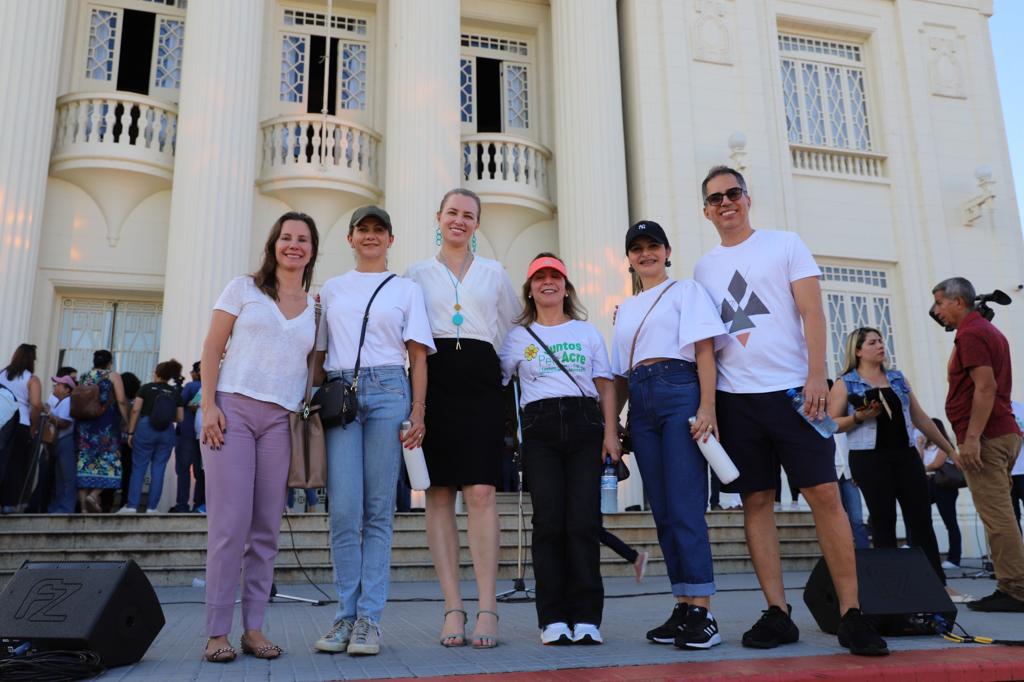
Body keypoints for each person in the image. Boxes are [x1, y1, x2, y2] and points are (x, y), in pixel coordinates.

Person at [693, 165, 888, 656]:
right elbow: (708, 345)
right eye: (715, 198)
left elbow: (812, 312)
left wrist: (816, 375)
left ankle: (851, 613)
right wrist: (710, 405)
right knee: (756, 502)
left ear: (748, 197)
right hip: (738, 403)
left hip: (795, 395)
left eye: (733, 193)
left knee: (826, 495)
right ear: (706, 210)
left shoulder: (785, 244)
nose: (726, 203)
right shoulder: (703, 268)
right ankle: (777, 612)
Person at [199, 211, 320, 662]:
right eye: (286, 237)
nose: (294, 245)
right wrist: (208, 405)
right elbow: (212, 346)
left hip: (281, 421)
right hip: (232, 411)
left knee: (266, 529)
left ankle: (253, 627)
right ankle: (216, 632)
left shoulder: (316, 306)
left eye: (303, 239)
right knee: (229, 527)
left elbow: (313, 368)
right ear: (273, 244)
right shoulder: (243, 288)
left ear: (312, 250)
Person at [313, 206, 433, 656]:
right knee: (344, 508)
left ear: (390, 239)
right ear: (349, 238)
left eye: (378, 230)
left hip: (389, 389)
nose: (370, 236)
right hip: (340, 391)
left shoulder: (406, 289)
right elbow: (319, 351)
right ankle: (345, 615)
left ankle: (369, 620)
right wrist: (306, 400)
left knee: (379, 509)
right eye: (362, 230)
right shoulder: (333, 290)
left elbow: (418, 355)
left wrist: (418, 411)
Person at [405, 188, 519, 648]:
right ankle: (453, 607)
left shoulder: (494, 272)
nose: (460, 220)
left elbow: (511, 332)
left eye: (468, 215)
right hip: (435, 381)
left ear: (477, 223)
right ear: (439, 217)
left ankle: (488, 608)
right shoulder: (415, 274)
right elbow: (407, 337)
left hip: (482, 382)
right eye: (452, 212)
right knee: (438, 493)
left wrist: (503, 383)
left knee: (482, 491)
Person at [611, 220, 727, 650]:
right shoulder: (626, 309)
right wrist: (616, 422)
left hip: (680, 390)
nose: (646, 254)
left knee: (685, 506)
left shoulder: (686, 291)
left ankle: (704, 611)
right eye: (637, 248)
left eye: (653, 246)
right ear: (629, 258)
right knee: (662, 509)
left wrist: (707, 407)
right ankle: (683, 604)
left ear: (667, 250)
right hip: (641, 402)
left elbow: (704, 351)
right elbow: (621, 373)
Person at [499, 253, 620, 645]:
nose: (547, 283)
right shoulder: (517, 337)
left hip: (586, 425)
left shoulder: (586, 332)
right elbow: (499, 383)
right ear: (530, 289)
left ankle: (586, 616)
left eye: (555, 277)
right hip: (540, 428)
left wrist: (611, 433)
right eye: (539, 278)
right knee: (548, 523)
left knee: (583, 522)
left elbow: (605, 386)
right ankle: (552, 618)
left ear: (566, 287)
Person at [827, 327, 954, 588]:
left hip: (905, 455)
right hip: (869, 458)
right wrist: (857, 418)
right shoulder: (846, 382)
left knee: (920, 518)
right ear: (858, 350)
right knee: (883, 519)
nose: (880, 345)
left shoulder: (897, 378)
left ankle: (936, 585)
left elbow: (920, 418)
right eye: (873, 342)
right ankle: (890, 587)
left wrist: (951, 451)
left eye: (881, 341)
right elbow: (830, 424)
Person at [932, 276, 1024, 612]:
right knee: (999, 513)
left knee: (997, 516)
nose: (937, 310)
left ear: (958, 301)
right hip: (1000, 431)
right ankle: (1011, 585)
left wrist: (971, 440)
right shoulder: (984, 331)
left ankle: (1016, 590)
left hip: (987, 435)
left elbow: (984, 388)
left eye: (941, 303)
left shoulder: (972, 333)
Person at [121, 360, 185, 514]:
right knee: (159, 468)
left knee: (139, 467)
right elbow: (180, 418)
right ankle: (152, 508)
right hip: (166, 430)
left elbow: (136, 410)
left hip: (145, 427)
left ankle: (132, 506)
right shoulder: (175, 392)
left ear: (156, 373)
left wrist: (131, 432)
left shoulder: (145, 388)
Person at [77, 350, 129, 513]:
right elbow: (121, 399)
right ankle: (94, 495)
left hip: (86, 426)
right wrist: (126, 421)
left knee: (85, 462)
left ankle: (84, 507)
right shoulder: (113, 376)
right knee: (110, 460)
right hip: (106, 425)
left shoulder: (85, 376)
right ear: (109, 362)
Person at [1, 344, 43, 513]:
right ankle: (9, 504)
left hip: (3, 423)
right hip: (21, 424)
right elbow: (36, 404)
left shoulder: (2, 373)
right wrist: (34, 427)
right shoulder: (32, 379)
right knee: (17, 464)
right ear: (32, 360)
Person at [916, 419, 962, 569]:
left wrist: (923, 469)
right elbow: (919, 461)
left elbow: (937, 464)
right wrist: (921, 446)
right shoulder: (927, 445)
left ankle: (954, 558)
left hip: (943, 485)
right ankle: (913, 545)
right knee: (917, 512)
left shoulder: (944, 446)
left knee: (950, 521)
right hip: (928, 484)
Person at [171, 361, 204, 513]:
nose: (191, 373)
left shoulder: (192, 386)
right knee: (201, 472)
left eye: (193, 370)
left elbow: (182, 403)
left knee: (183, 471)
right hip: (203, 436)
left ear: (197, 372)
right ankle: (199, 504)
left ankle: (182, 504)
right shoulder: (215, 386)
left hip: (186, 434)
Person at [46, 372, 77, 513]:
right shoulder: (61, 401)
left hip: (65, 441)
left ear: (67, 389)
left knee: (67, 477)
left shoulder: (67, 401)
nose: (56, 386)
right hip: (59, 442)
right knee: (59, 478)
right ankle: (58, 507)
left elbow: (64, 423)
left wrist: (49, 415)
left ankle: (66, 508)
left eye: (59, 384)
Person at [834, 431, 870, 550]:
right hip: (831, 477)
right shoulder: (819, 425)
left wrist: (857, 471)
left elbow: (854, 448)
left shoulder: (846, 424)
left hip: (849, 476)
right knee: (837, 520)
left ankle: (864, 554)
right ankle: (842, 554)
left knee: (857, 519)